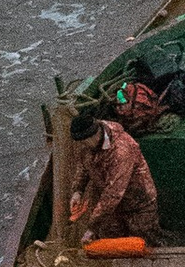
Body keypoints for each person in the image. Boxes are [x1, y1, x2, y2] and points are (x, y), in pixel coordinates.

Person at [64, 101, 160, 247]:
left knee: (145, 243)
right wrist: (78, 190)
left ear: (94, 135)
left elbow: (113, 193)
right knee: (114, 243)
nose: (82, 146)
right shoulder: (88, 144)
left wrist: (92, 227)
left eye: (84, 142)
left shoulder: (122, 151)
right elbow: (83, 166)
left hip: (138, 203)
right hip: (112, 207)